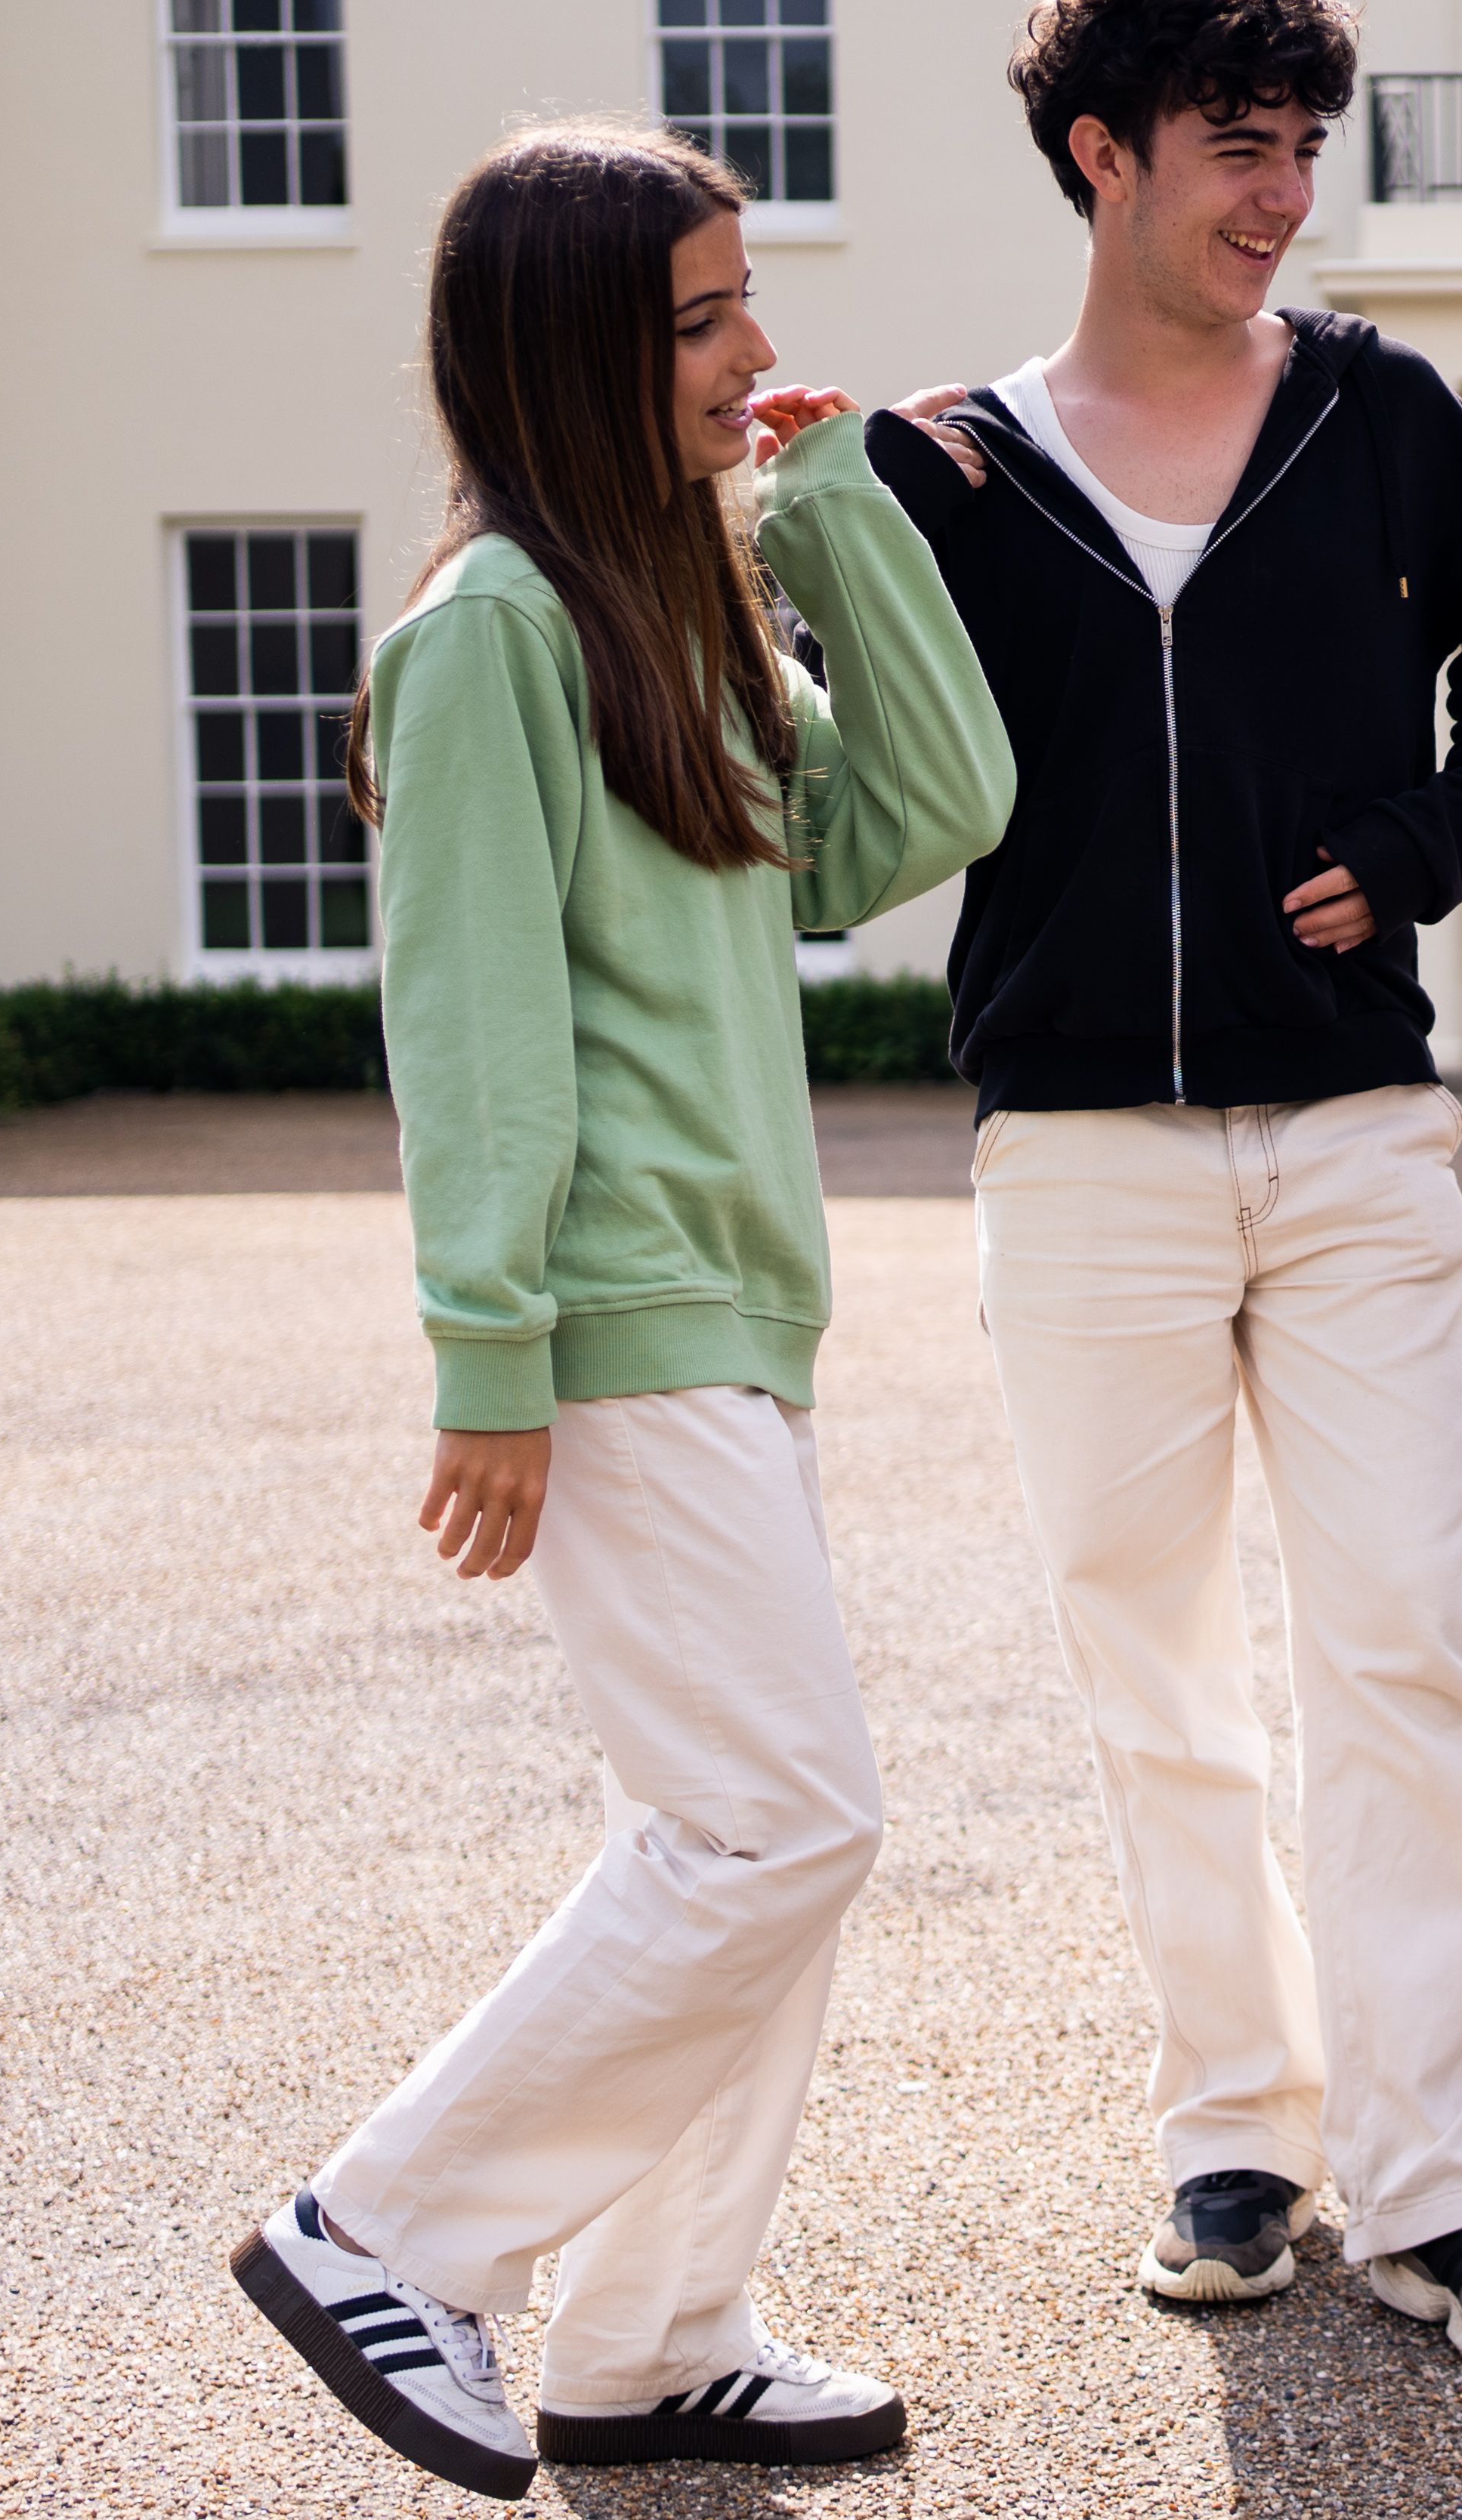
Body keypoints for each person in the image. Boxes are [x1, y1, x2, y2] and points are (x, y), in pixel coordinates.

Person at [854, 0, 1462, 2373]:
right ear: (1102, 155)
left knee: (1408, 1649)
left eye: (1304, 146)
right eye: (1234, 149)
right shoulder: (951, 469)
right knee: (1153, 1668)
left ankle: (1458, 2190)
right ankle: (1237, 2135)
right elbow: (843, 745)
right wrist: (828, 516)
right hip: (1075, 1149)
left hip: (1359, 1135)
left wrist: (1415, 847)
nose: (1282, 194)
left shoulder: (1381, 416)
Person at [224, 121, 1014, 2497]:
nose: (753, 348)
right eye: (700, 318)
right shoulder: (487, 639)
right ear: (575, 347)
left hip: (739, 1314)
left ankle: (653, 2340)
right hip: (620, 1311)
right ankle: (385, 2229)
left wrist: (833, 510)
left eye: (742, 301)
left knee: (743, 1830)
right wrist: (492, 1359)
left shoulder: (673, 609)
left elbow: (927, 811)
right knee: (776, 1829)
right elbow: (471, 1030)